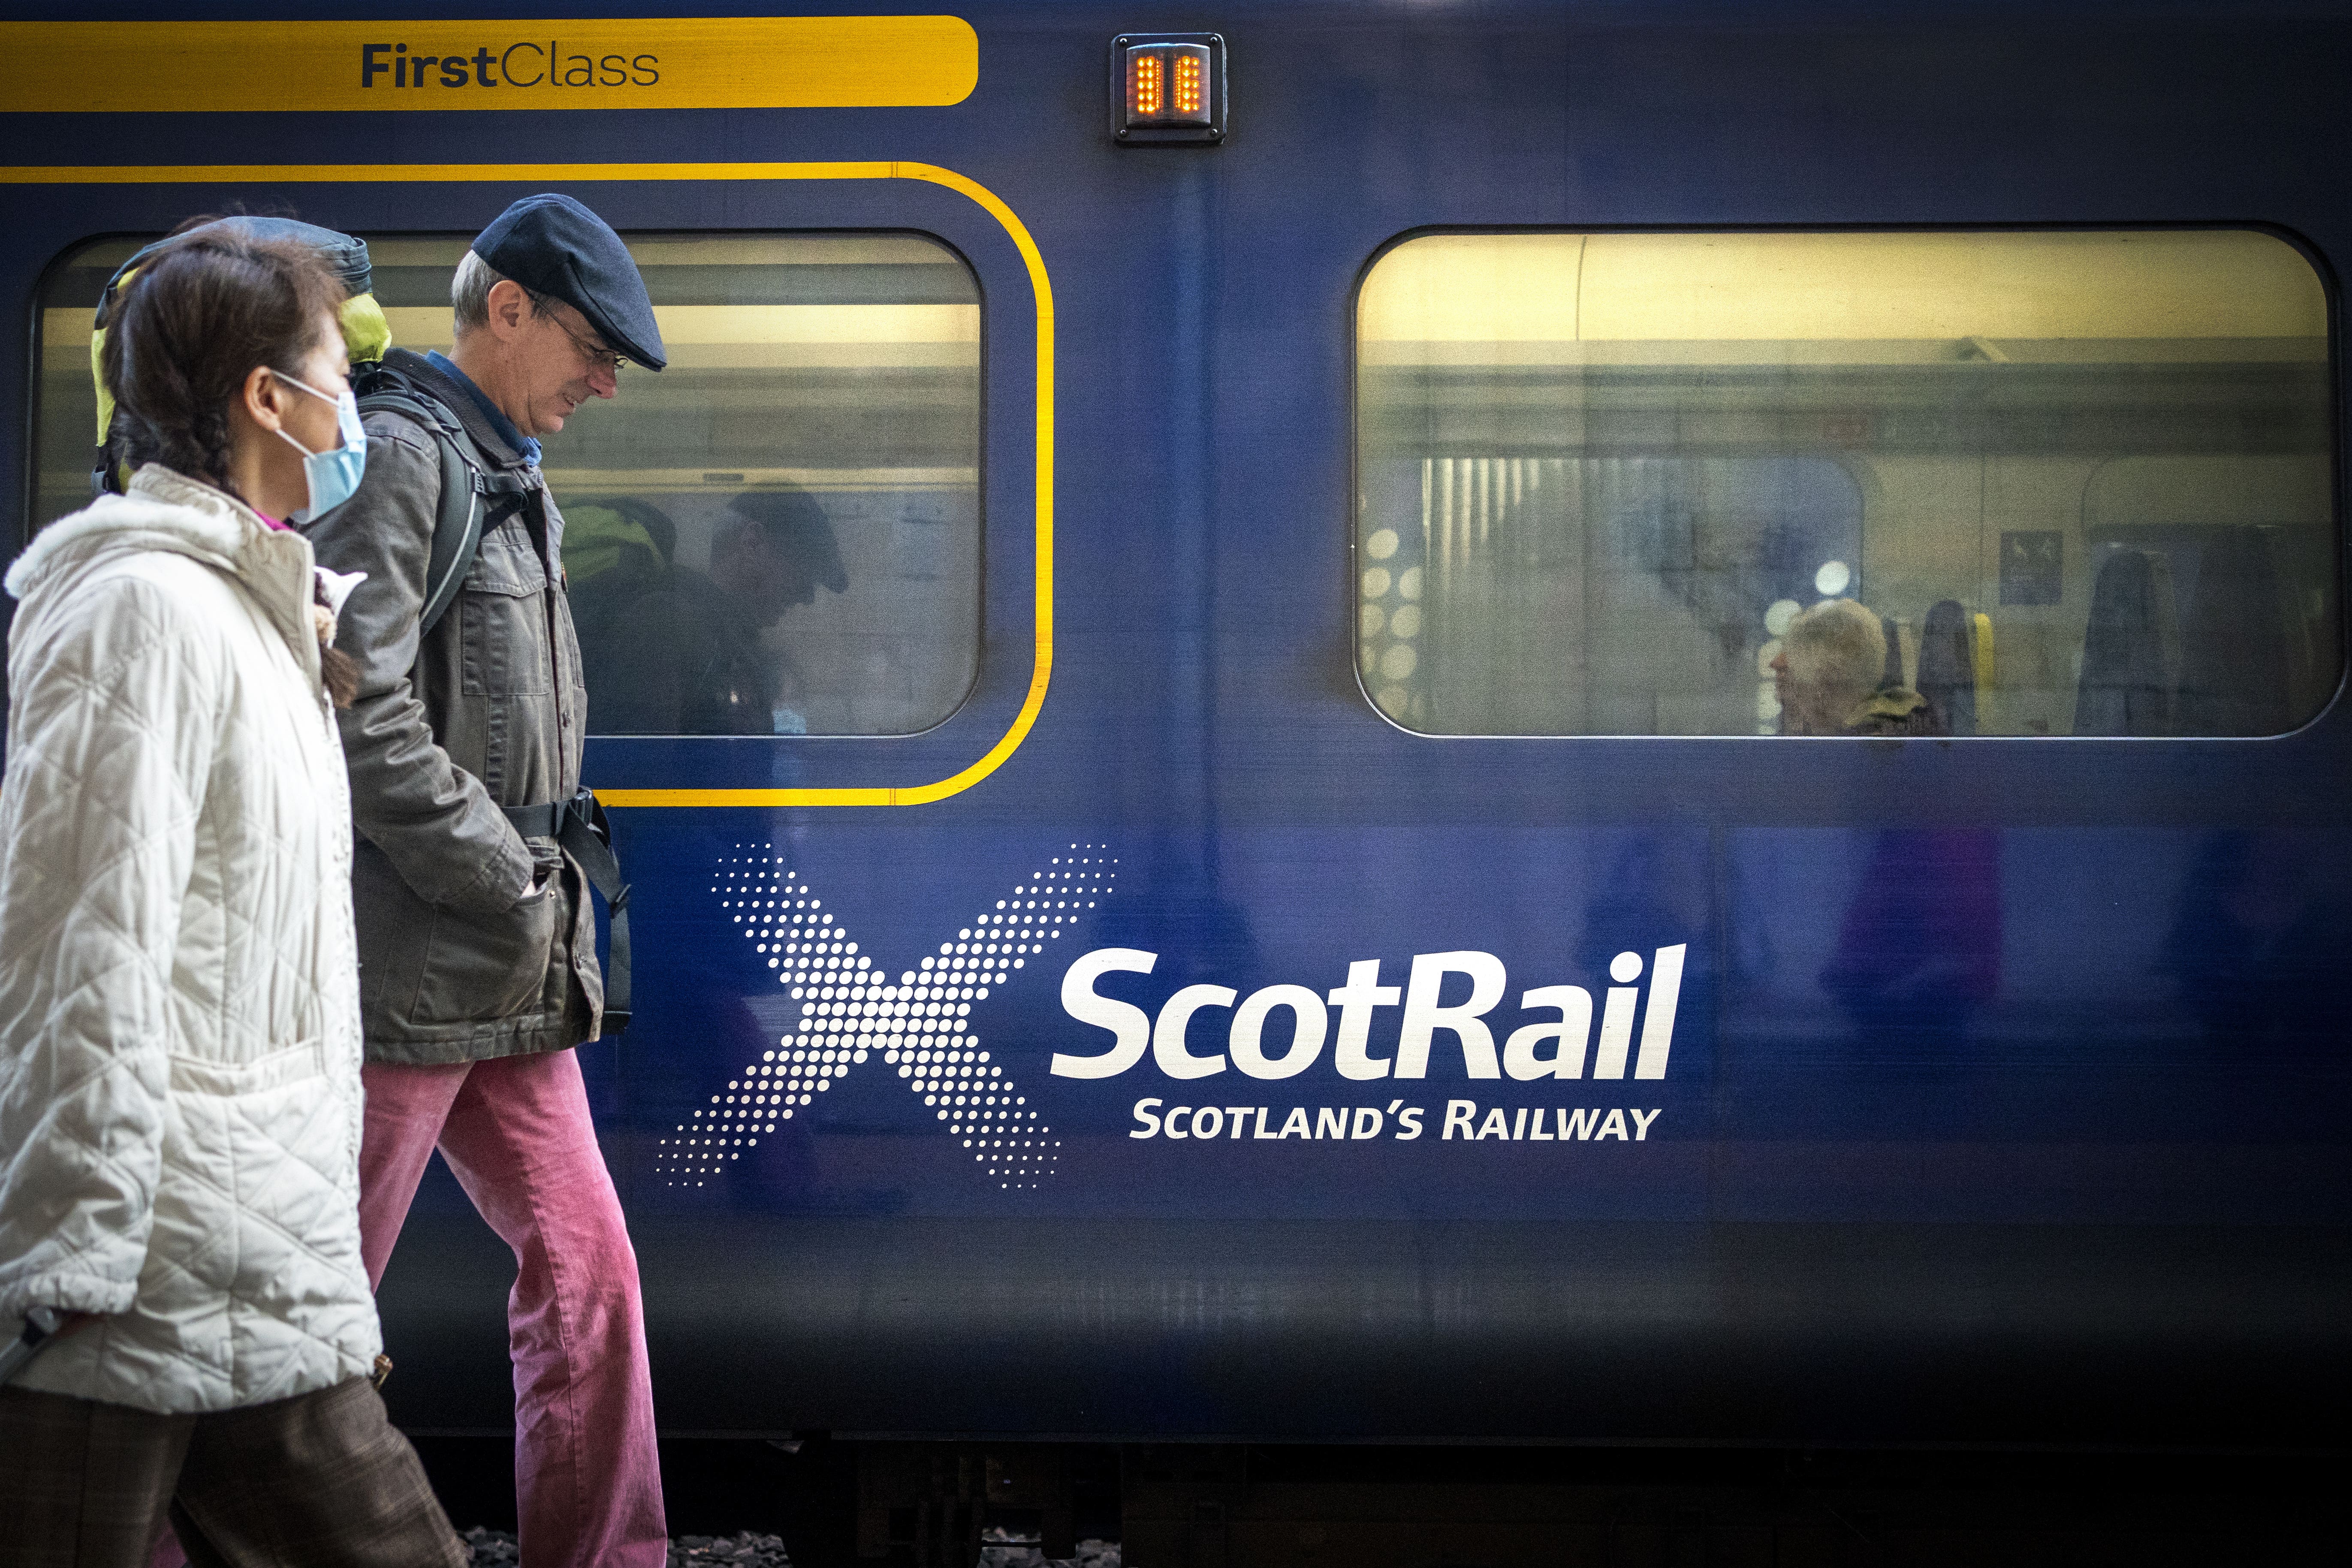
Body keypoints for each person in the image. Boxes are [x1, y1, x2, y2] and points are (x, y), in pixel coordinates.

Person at [0, 222, 464, 1567]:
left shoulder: (258, 610)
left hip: (248, 1252)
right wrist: (66, 1263)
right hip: (137, 1269)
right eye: (338, 370)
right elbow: (75, 945)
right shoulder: (143, 609)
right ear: (269, 396)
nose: (359, 410)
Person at [301, 194, 670, 1568]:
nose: (605, 379)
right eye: (589, 344)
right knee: (306, 1308)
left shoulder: (503, 464)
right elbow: (354, 704)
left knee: (591, 1279)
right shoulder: (409, 458)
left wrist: (525, 894)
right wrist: (499, 868)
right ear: (504, 309)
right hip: (410, 964)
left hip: (504, 969)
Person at [570, 486, 846, 735]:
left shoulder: (726, 638)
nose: (808, 597)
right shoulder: (665, 624)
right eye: (803, 570)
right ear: (753, 542)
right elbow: (640, 772)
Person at [1769, 596, 1945, 736]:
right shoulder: (1910, 735)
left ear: (1828, 678)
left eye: (1792, 657)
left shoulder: (1867, 752)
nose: (1776, 663)